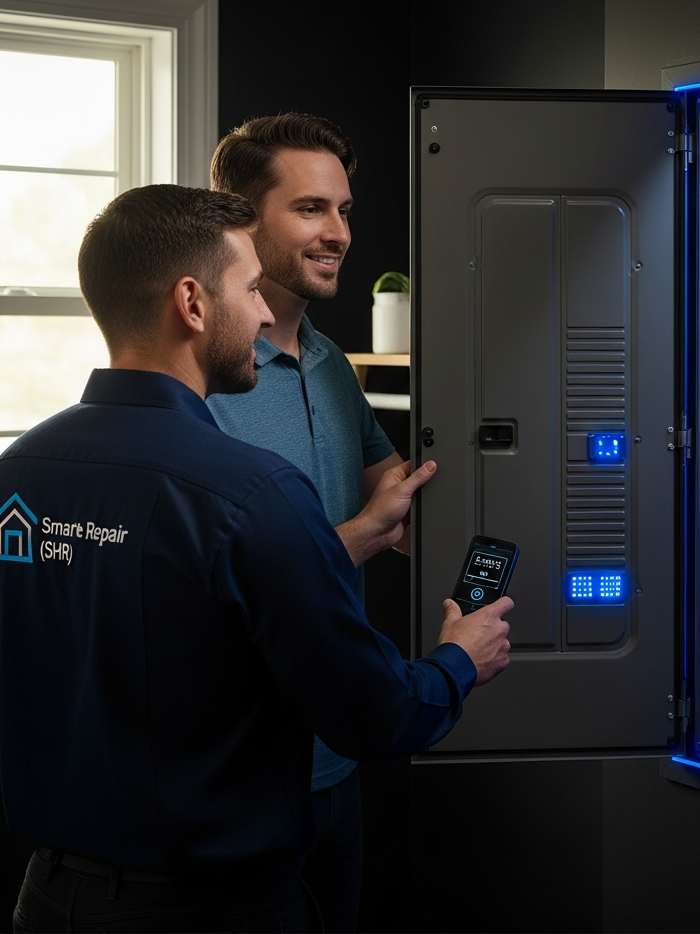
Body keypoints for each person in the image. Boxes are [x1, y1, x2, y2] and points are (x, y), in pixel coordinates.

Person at [0, 185, 514, 932]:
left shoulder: (19, 472)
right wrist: (458, 658)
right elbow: (376, 715)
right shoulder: (249, 492)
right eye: (248, 290)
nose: (267, 313)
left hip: (48, 902)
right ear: (192, 302)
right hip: (210, 913)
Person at [206, 112, 402, 930]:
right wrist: (361, 535)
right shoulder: (201, 384)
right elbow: (215, 584)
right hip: (238, 783)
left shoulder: (330, 363)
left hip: (337, 766)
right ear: (244, 221)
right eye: (311, 209)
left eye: (345, 210)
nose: (339, 233)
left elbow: (393, 484)